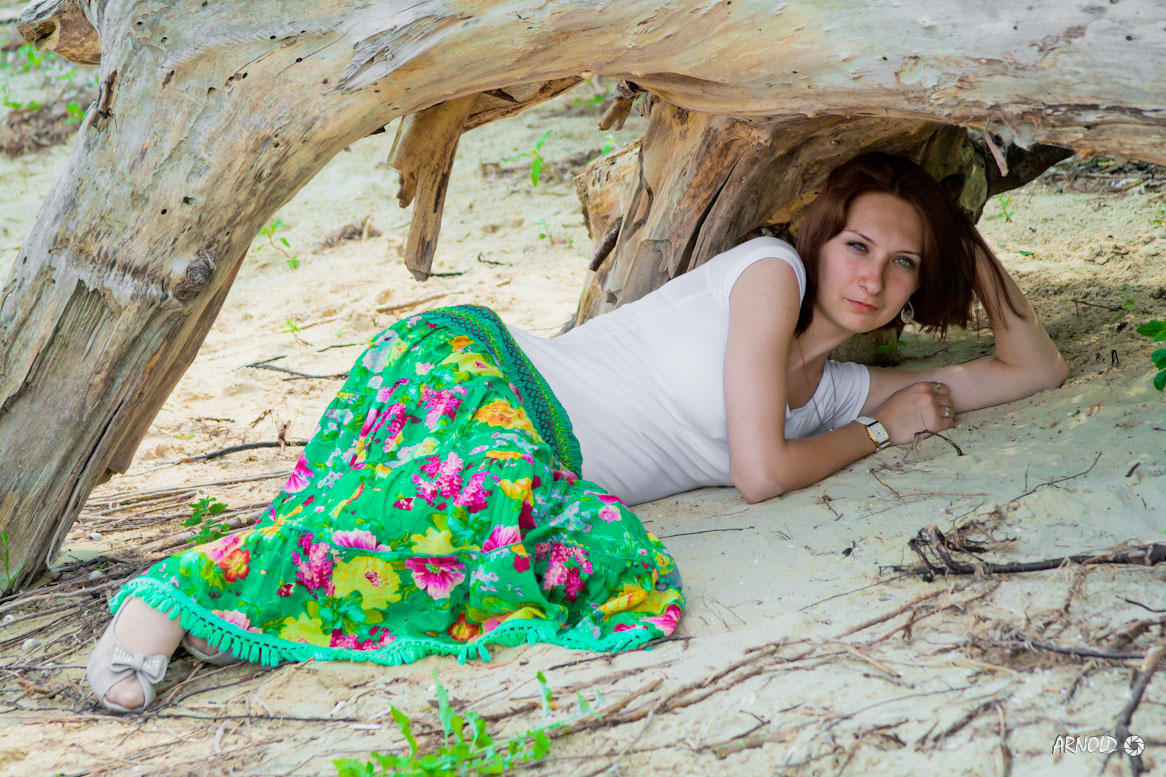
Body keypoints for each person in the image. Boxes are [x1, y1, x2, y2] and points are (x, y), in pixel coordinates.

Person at [85, 152, 1067, 711]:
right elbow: (761, 472)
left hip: (519, 447)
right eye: (858, 245)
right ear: (820, 239)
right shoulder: (770, 276)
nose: (873, 276)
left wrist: (960, 240)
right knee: (468, 499)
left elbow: (1032, 368)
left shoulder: (835, 389)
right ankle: (169, 599)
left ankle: (227, 601)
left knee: (462, 524)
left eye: (903, 264)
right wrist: (883, 434)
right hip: (483, 371)